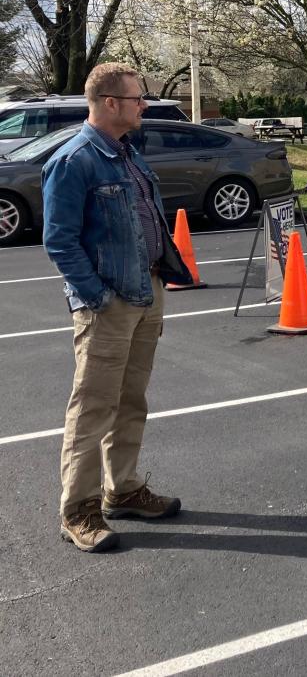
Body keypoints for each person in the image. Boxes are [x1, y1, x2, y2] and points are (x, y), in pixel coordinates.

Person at [42, 63, 194, 552]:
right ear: (111, 103)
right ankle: (78, 511)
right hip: (108, 304)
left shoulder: (126, 154)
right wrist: (97, 296)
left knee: (131, 401)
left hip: (146, 292)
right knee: (92, 409)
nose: (144, 105)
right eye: (137, 99)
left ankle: (122, 490)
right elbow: (59, 241)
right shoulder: (75, 160)